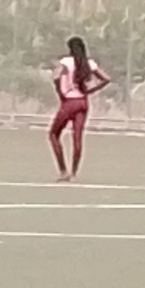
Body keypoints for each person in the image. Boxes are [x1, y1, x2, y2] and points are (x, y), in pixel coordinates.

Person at [50, 35, 111, 181]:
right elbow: (106, 78)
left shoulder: (66, 62)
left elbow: (56, 77)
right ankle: (74, 173)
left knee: (53, 134)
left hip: (69, 102)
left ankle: (63, 171)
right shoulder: (88, 63)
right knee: (77, 138)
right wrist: (91, 90)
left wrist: (60, 91)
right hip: (83, 102)